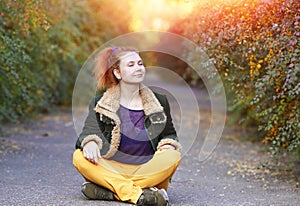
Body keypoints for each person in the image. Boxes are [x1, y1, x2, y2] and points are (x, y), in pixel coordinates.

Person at [72, 46, 182, 206]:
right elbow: (88, 132)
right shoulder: (101, 103)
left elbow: (169, 135)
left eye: (140, 63)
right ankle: (140, 194)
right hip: (113, 168)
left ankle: (111, 191)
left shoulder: (160, 101)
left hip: (148, 169)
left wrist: (168, 145)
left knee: (173, 156)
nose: (138, 68)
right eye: (131, 65)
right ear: (118, 73)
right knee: (79, 157)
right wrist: (89, 142)